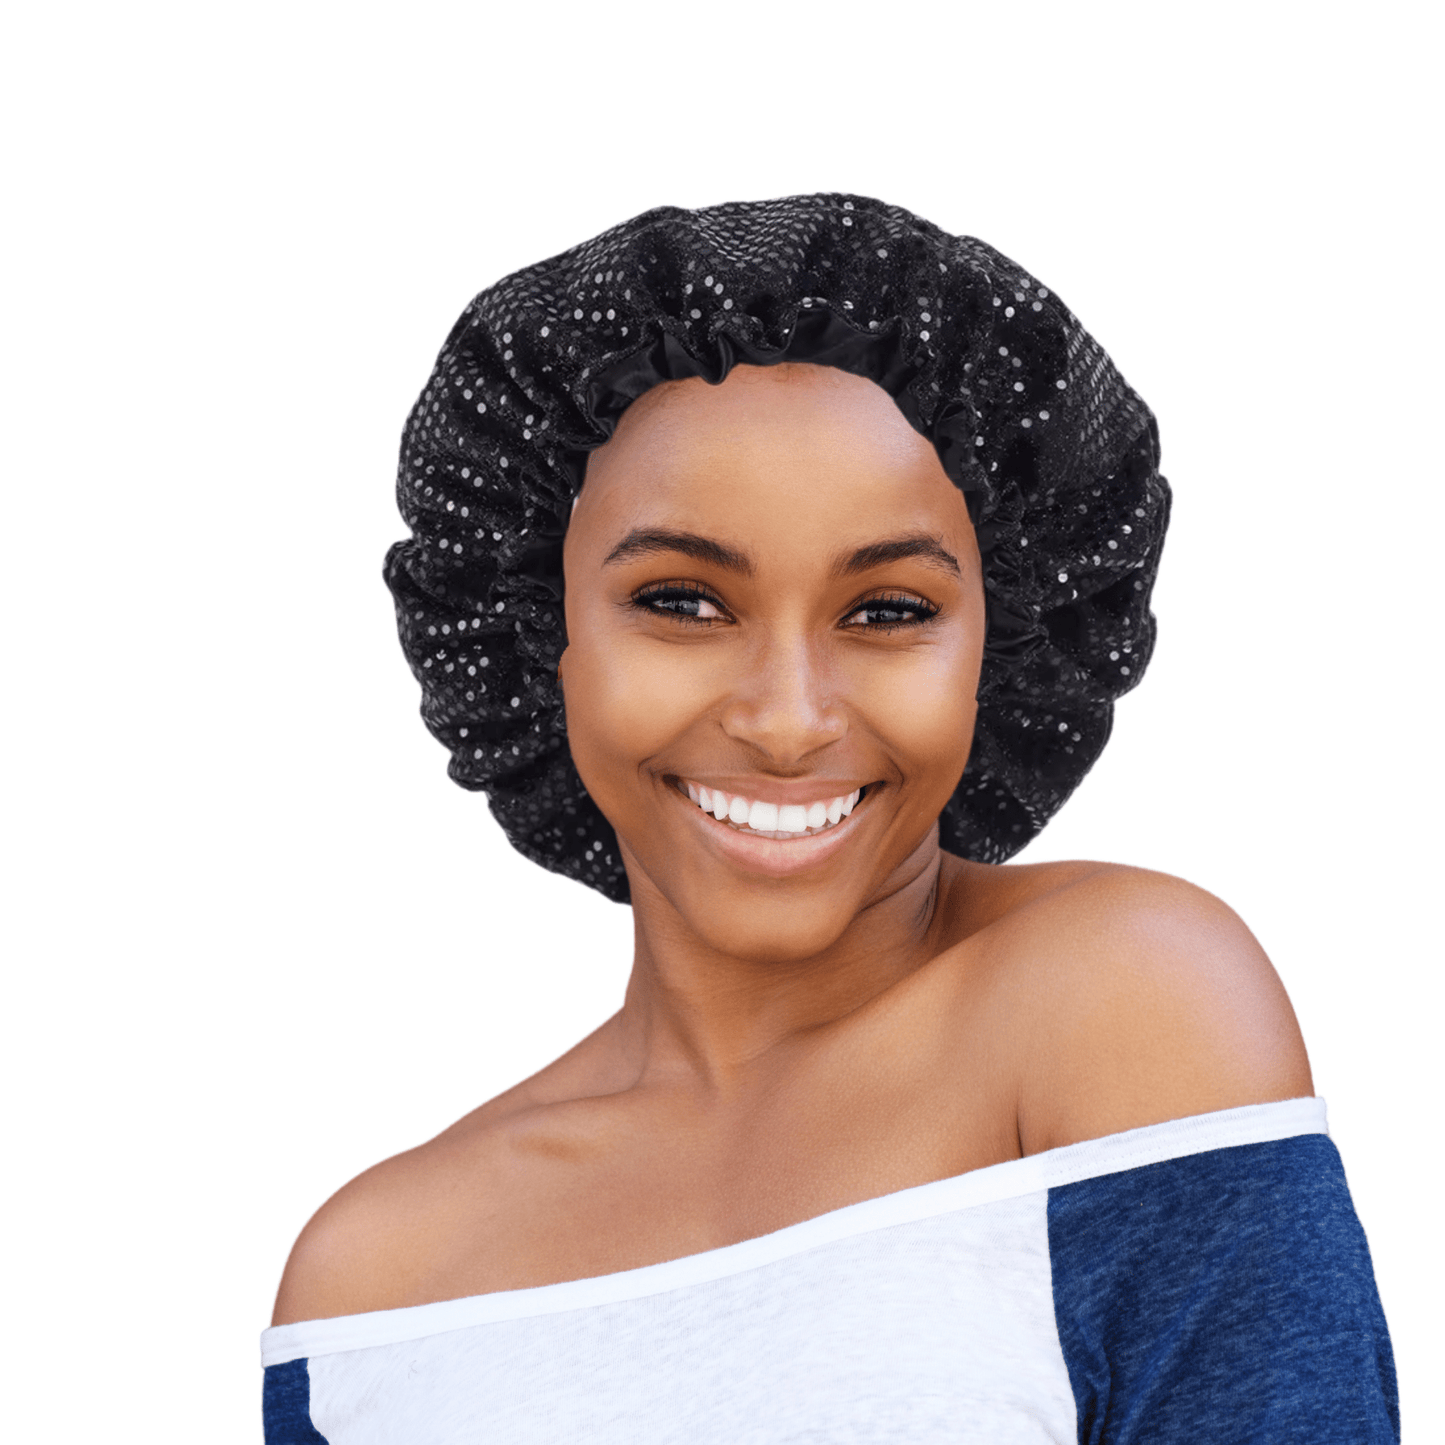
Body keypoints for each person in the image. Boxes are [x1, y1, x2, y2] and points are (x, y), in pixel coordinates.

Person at [261, 195, 1398, 1442]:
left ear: (998, 642)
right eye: (682, 601)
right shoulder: (374, 1280)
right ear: (541, 631)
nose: (788, 718)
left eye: (888, 610)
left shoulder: (1120, 1001)